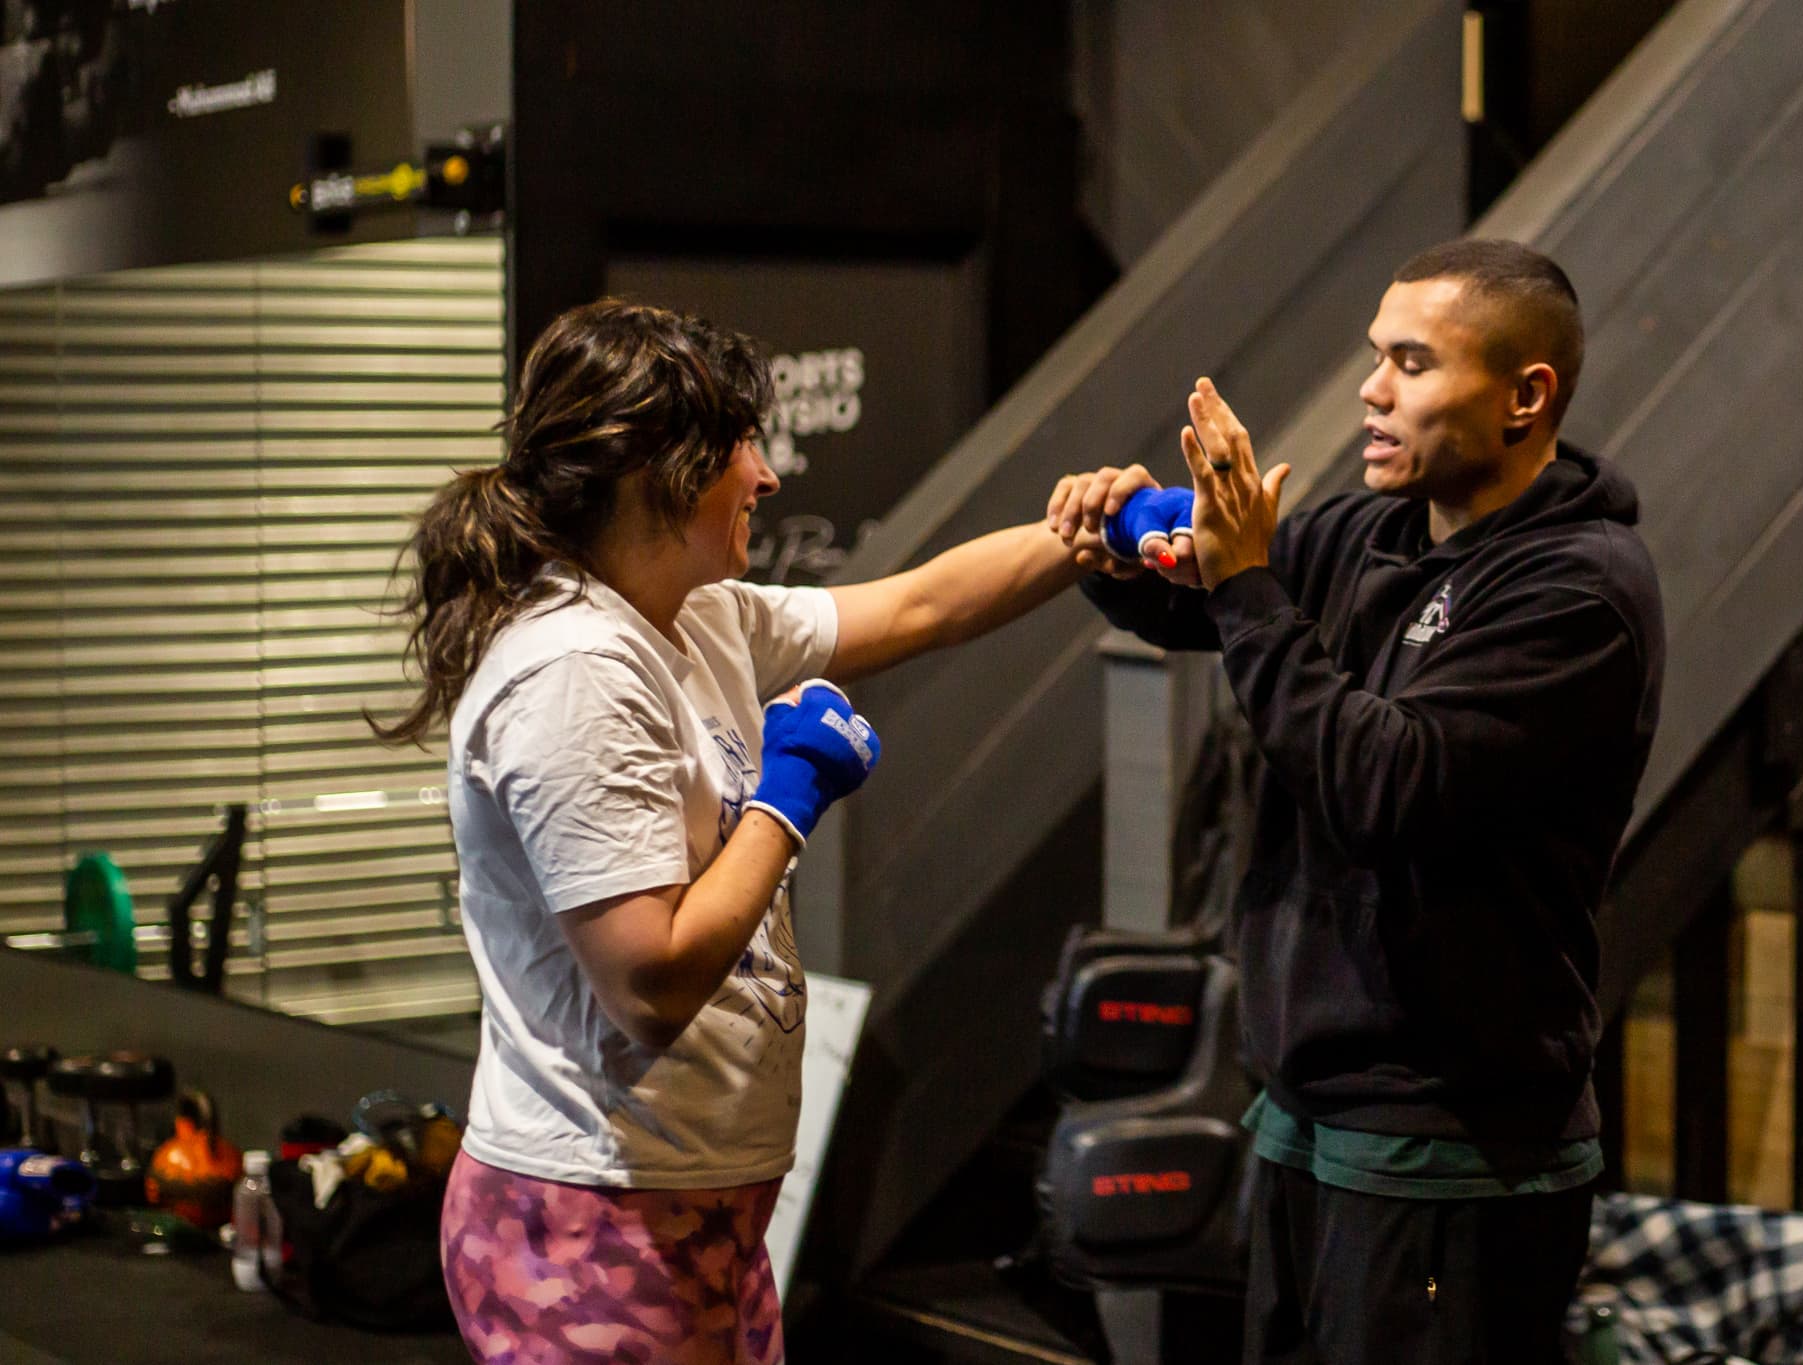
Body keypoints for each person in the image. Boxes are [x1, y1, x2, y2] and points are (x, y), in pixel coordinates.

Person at [373, 298, 1088, 1365]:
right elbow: (648, 985)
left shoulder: (693, 613)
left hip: (695, 1206)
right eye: (737, 446)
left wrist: (1088, 538)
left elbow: (918, 609)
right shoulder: (573, 671)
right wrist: (787, 795)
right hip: (595, 1217)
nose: (765, 475)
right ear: (654, 470)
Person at [1050, 239, 1665, 1363]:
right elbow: (1207, 615)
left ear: (1525, 396)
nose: (1372, 391)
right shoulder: (1368, 530)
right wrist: (1119, 546)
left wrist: (1240, 580)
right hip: (1308, 1116)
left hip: (1448, 1145)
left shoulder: (1577, 589)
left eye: (1413, 364)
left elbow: (1382, 785)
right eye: (1374, 357)